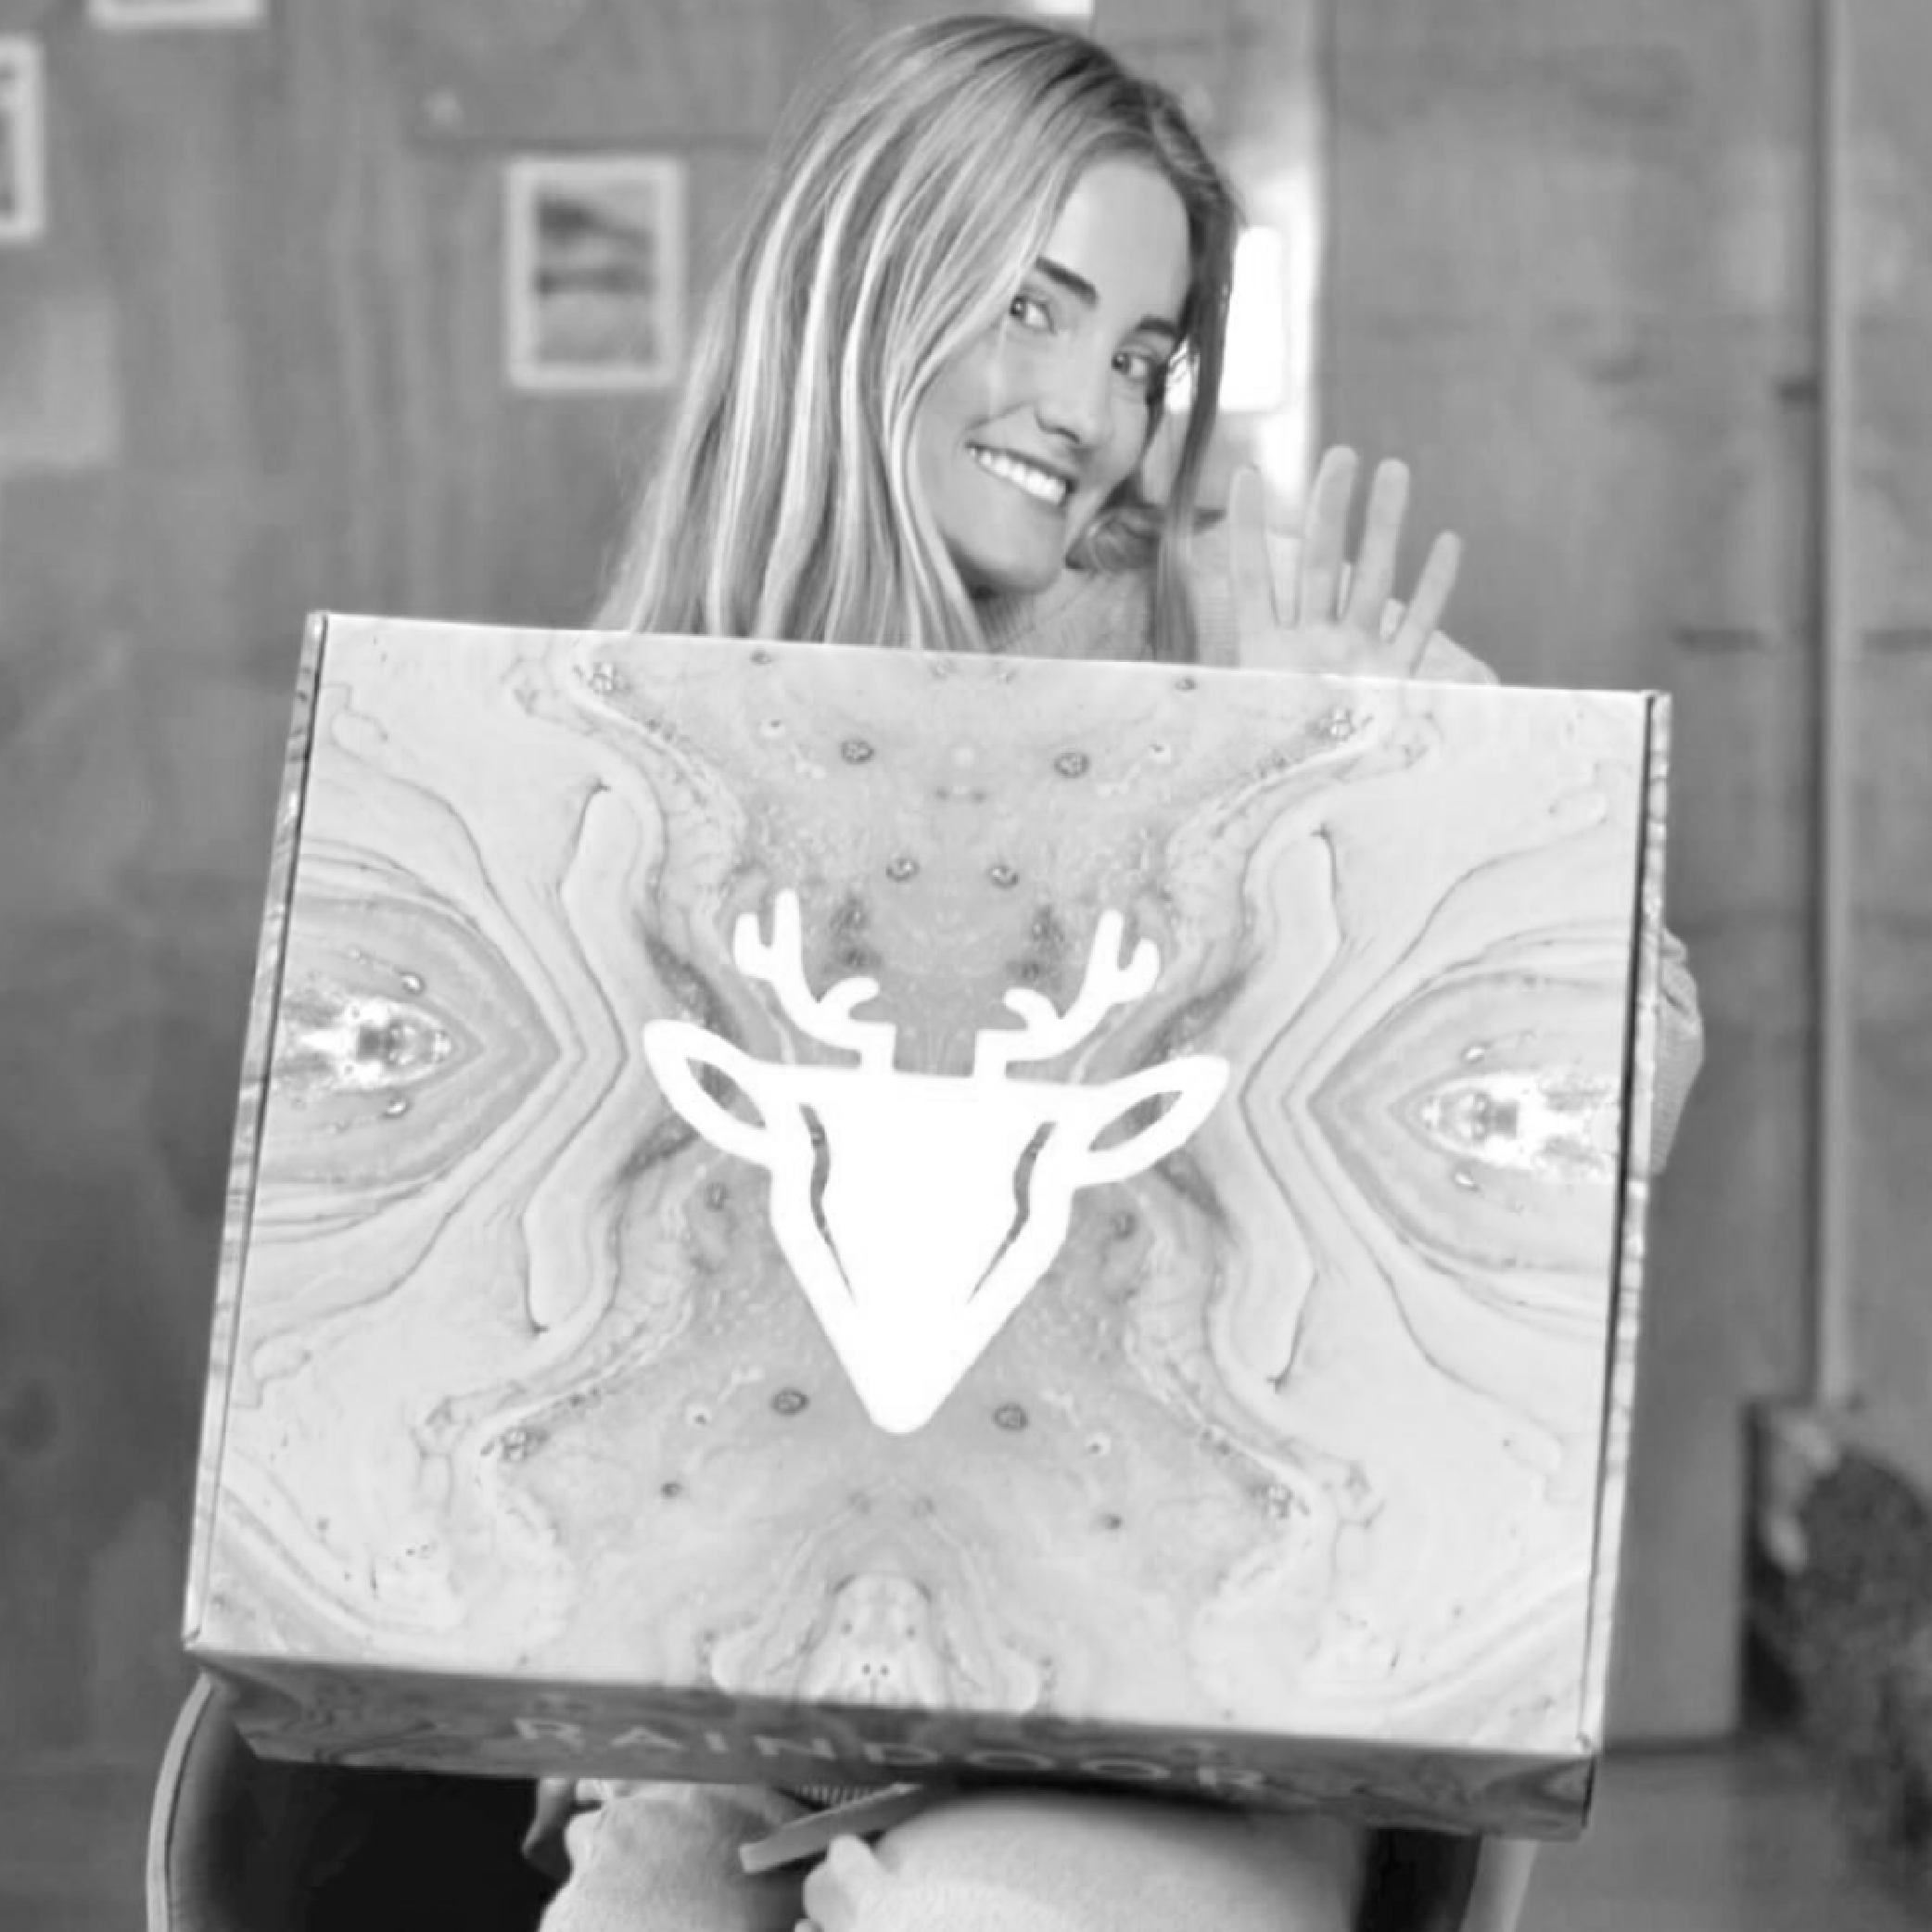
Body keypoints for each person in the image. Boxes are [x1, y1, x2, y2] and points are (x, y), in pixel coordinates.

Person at [533, 13, 1706, 1928]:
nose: (1090, 409)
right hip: (755, 1699)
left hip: (1194, 1697)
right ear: (865, 282)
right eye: (1034, 309)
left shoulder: (1247, 609)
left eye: (1144, 357)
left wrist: (1377, 819)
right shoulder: (668, 687)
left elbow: (1629, 1066)